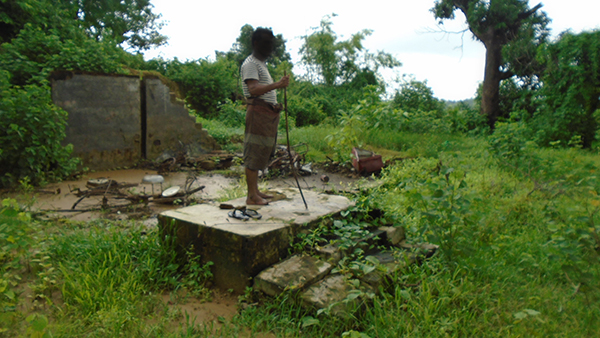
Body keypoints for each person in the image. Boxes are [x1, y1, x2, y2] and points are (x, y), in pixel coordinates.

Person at [241, 28, 289, 205]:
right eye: (266, 43)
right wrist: (278, 84)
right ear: (256, 43)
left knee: (262, 151)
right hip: (258, 113)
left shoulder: (260, 64)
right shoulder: (250, 64)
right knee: (254, 152)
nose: (270, 47)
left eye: (271, 44)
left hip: (267, 114)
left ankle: (255, 191)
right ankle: (251, 196)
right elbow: (253, 89)